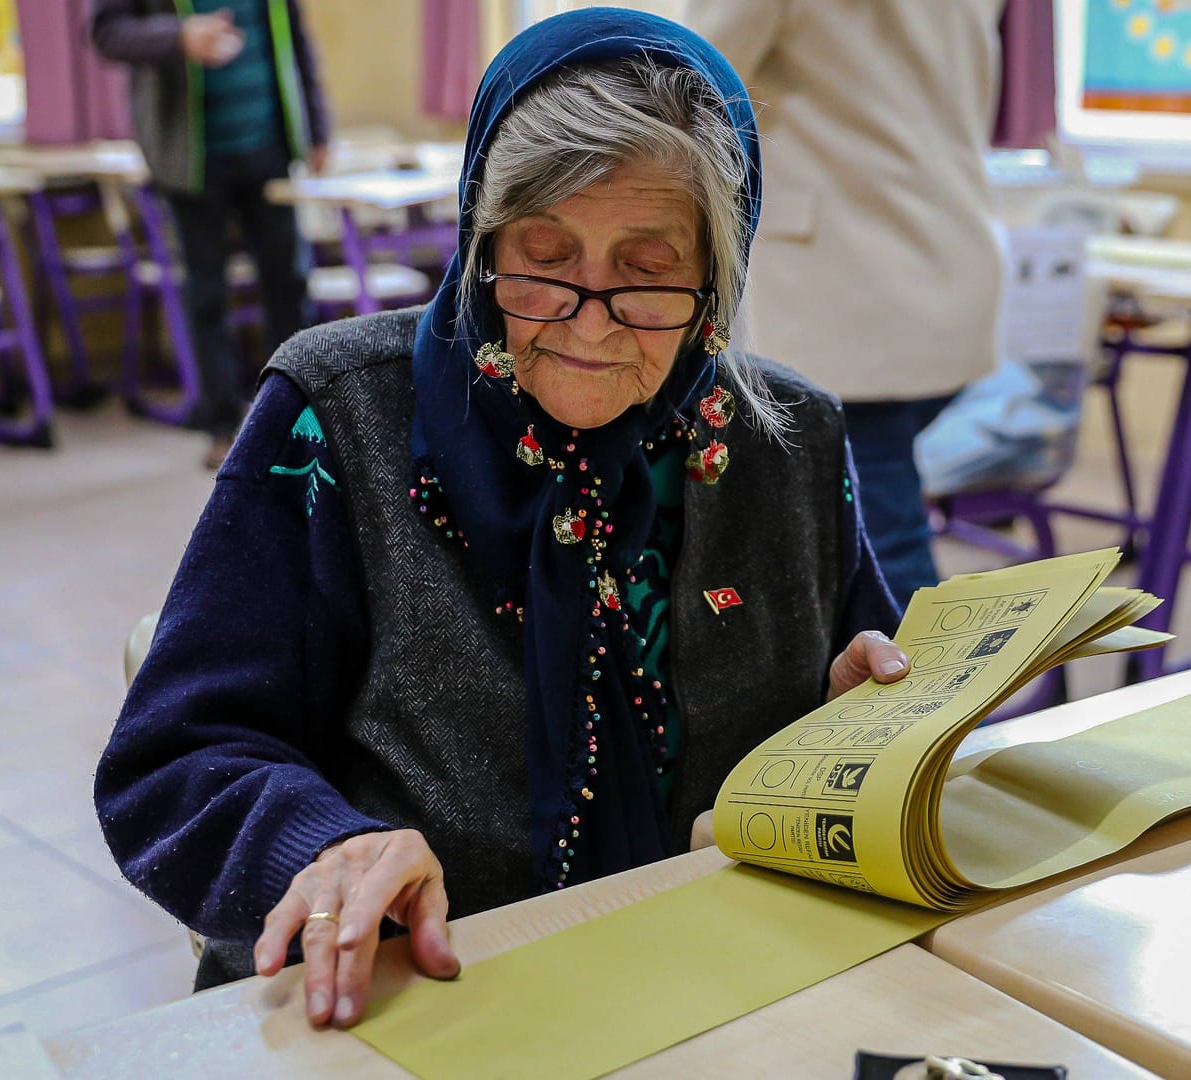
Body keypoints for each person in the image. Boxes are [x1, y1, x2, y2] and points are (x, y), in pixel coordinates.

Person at [95, 9, 911, 1031]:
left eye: (649, 272)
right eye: (544, 257)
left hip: (719, 987)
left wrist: (853, 726)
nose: (587, 318)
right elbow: (176, 758)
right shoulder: (340, 415)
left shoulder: (785, 441)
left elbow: (865, 736)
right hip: (422, 1000)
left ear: (718, 283)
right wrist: (319, 843)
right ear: (481, 243)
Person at [685, 0, 1008, 602]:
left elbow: (679, 78)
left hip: (851, 284)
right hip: (948, 259)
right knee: (851, 520)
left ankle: (933, 695)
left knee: (878, 544)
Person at [91, 0, 331, 469]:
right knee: (206, 295)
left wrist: (317, 127)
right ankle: (223, 427)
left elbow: (296, 39)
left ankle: (297, 421)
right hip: (190, 161)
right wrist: (178, 36)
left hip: (269, 148)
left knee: (288, 287)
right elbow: (107, 32)